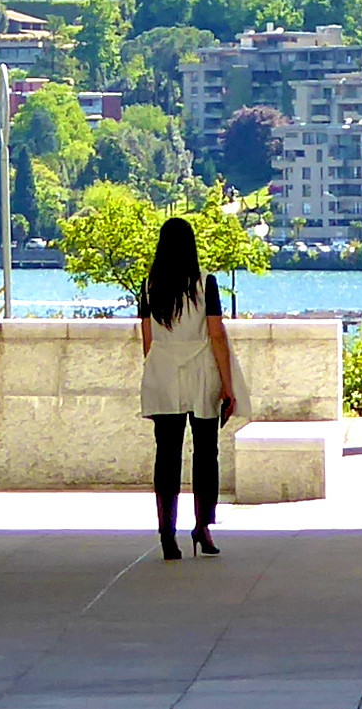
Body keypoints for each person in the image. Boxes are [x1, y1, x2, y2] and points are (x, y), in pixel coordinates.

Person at [139, 217, 243, 561]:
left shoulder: (150, 285)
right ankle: (202, 526)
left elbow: (147, 338)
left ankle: (167, 532)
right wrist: (229, 386)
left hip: (164, 371)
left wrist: (157, 369)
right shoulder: (204, 284)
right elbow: (215, 334)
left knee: (166, 454)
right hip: (200, 371)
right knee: (205, 452)